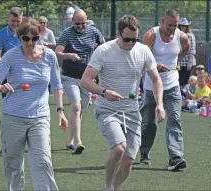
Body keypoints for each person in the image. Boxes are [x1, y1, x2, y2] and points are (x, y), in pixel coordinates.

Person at [81, 15, 165, 191]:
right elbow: (86, 80)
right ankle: (108, 187)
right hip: (107, 109)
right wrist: (104, 92)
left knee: (128, 160)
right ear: (118, 34)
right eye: (127, 39)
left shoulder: (143, 51)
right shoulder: (104, 51)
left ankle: (114, 188)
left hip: (132, 111)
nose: (131, 43)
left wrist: (159, 104)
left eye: (135, 39)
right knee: (119, 149)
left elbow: (156, 79)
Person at [0, 19, 68, 191]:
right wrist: (1, 86)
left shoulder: (49, 56)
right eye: (26, 39)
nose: (31, 42)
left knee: (43, 162)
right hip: (13, 117)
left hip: (39, 117)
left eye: (35, 38)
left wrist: (60, 111)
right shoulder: (11, 56)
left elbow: (56, 85)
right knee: (13, 165)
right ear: (20, 38)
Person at [140, 9, 190, 171]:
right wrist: (154, 66)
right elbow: (142, 56)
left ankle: (175, 157)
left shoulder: (181, 37)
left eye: (175, 26)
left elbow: (186, 48)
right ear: (162, 21)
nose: (172, 29)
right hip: (150, 87)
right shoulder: (151, 35)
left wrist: (176, 63)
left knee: (174, 120)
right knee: (148, 123)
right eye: (169, 25)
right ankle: (144, 152)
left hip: (172, 86)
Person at [55, 9, 105, 154]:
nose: (81, 27)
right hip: (70, 77)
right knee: (76, 107)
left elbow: (104, 48)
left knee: (80, 110)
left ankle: (70, 140)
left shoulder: (94, 32)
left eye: (83, 23)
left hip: (87, 78)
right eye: (78, 24)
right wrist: (68, 55)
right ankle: (78, 142)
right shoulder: (67, 33)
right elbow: (57, 52)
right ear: (73, 22)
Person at [0, 7, 23, 98]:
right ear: (8, 19)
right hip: (8, 77)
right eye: (13, 21)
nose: (15, 24)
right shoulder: (0, 34)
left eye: (18, 21)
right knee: (8, 106)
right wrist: (9, 65)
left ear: (22, 18)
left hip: (27, 74)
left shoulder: (29, 32)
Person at [178, 17, 196, 87]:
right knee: (178, 79)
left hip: (187, 63)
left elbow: (193, 49)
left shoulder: (190, 36)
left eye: (184, 26)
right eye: (181, 26)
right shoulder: (177, 35)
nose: (183, 27)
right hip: (179, 63)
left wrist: (190, 62)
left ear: (187, 27)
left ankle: (186, 95)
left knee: (186, 80)